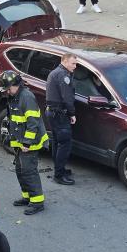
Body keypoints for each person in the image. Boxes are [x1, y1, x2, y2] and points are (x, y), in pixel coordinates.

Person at [0, 70, 48, 215]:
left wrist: (27, 143)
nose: (7, 91)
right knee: (20, 170)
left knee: (29, 171)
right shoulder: (14, 96)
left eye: (8, 88)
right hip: (20, 141)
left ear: (16, 85)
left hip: (30, 143)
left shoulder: (26, 97)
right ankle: (28, 197)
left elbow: (33, 122)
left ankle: (37, 202)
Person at [45, 53, 78, 185]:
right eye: (73, 63)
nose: (75, 66)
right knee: (65, 143)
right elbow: (67, 97)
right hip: (59, 114)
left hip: (52, 112)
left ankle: (60, 169)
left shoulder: (56, 72)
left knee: (58, 142)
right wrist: (72, 113)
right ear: (64, 61)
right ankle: (59, 175)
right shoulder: (63, 75)